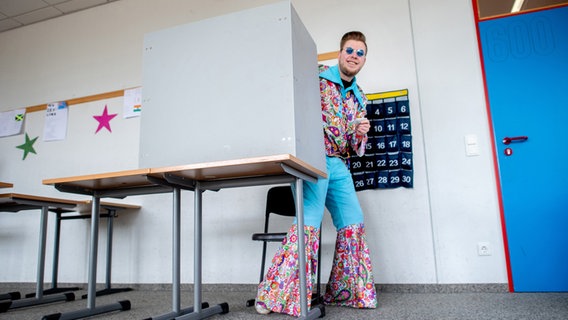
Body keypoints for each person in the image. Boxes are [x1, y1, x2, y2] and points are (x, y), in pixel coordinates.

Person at [255, 31, 378, 316]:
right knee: (308, 225)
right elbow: (288, 99)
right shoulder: (317, 75)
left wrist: (360, 134)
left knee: (353, 222)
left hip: (338, 162)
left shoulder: (360, 97)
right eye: (350, 50)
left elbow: (353, 145)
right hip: (313, 157)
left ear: (364, 59)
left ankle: (347, 292)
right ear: (340, 51)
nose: (354, 56)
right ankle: (274, 296)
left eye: (360, 53)